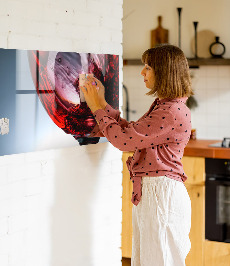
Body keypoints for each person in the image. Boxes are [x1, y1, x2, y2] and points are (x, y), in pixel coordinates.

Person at [80, 44, 193, 266]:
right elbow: (132, 133)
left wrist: (96, 108)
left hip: (161, 195)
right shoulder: (166, 106)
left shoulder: (170, 111)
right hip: (156, 193)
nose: (142, 72)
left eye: (148, 67)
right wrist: (102, 103)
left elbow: (124, 141)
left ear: (164, 71)